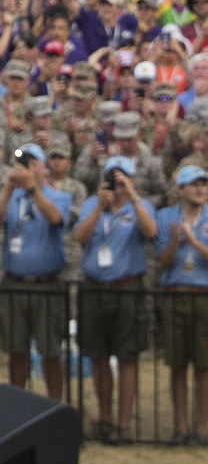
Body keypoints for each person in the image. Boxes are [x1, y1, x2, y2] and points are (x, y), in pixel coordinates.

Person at [74, 155, 159, 445]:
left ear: (132, 178)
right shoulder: (91, 203)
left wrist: (132, 196)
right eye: (113, 176)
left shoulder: (142, 206)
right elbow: (80, 237)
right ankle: (106, 418)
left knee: (127, 356)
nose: (117, 182)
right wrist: (100, 206)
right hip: (95, 287)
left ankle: (124, 424)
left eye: (123, 177)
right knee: (98, 356)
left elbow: (151, 232)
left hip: (127, 288)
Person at [0, 143, 73, 402]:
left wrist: (32, 189)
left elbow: (55, 218)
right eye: (20, 163)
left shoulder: (60, 196)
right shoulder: (11, 197)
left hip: (46, 284)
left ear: (41, 167)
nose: (24, 167)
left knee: (51, 350)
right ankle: (17, 406)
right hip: (14, 282)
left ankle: (54, 405)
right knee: (16, 350)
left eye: (30, 163)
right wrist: (7, 188)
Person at [157, 163, 208, 445]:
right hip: (175, 293)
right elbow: (161, 263)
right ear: (180, 190)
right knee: (177, 365)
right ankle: (180, 427)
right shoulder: (166, 217)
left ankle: (202, 428)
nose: (200, 188)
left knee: (204, 366)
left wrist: (194, 240)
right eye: (194, 183)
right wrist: (176, 242)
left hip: (204, 297)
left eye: (203, 183)